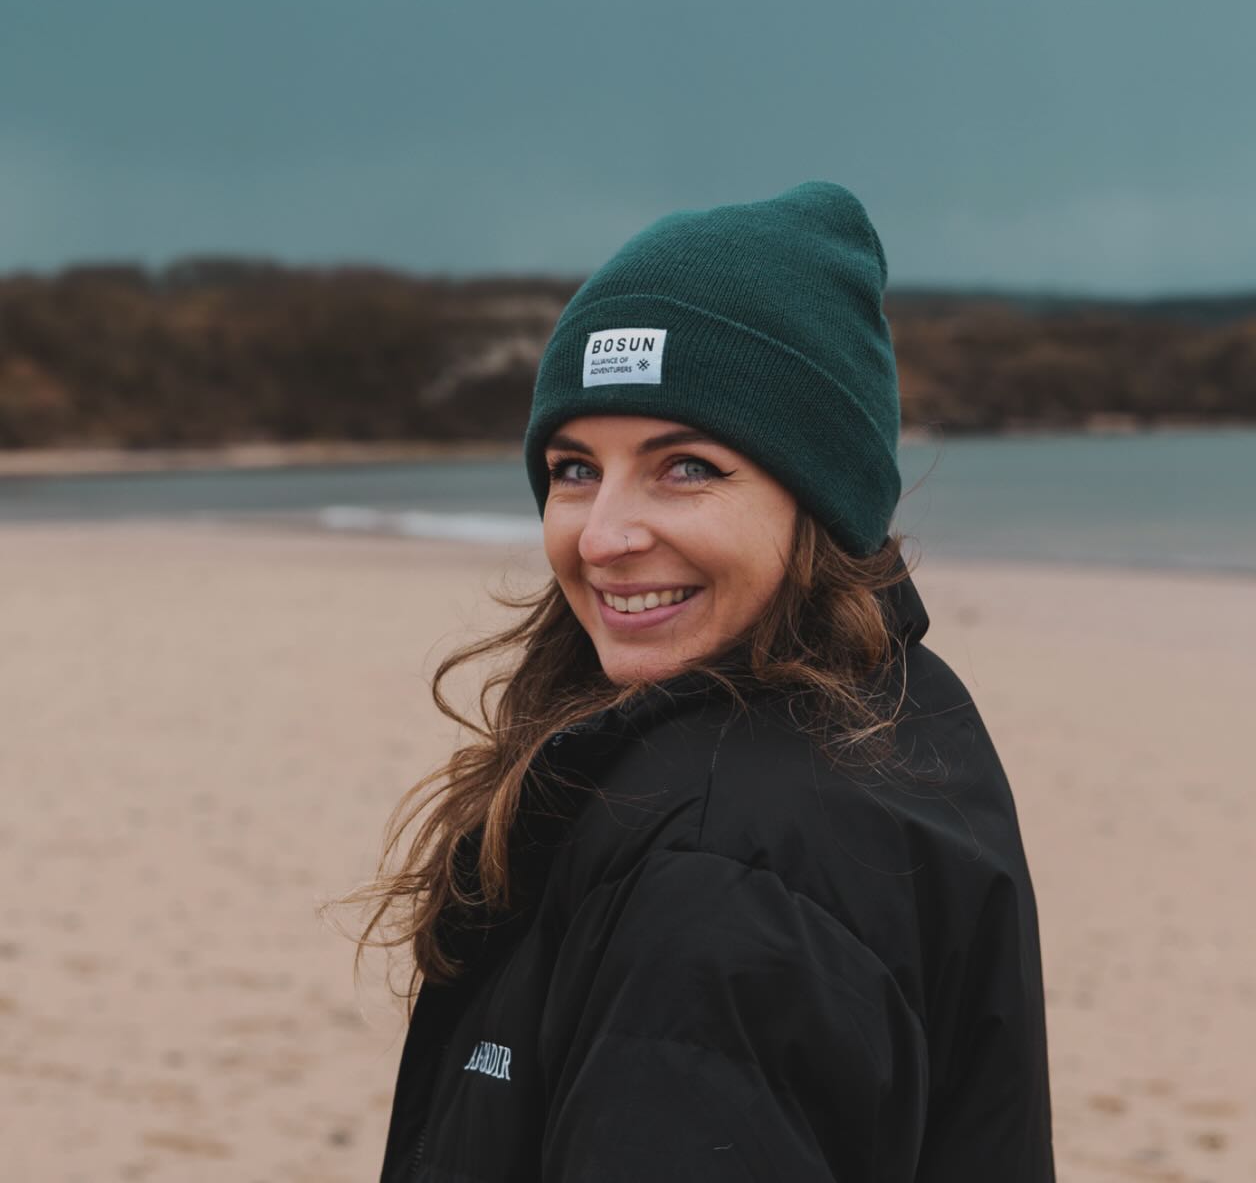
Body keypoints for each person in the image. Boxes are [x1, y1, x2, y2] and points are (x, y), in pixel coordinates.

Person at [364, 181, 1056, 1180]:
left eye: (684, 466)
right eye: (572, 467)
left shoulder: (718, 859)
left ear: (815, 494)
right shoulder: (898, 705)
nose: (602, 534)